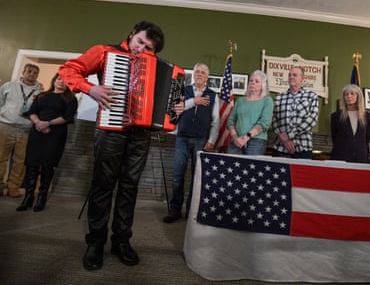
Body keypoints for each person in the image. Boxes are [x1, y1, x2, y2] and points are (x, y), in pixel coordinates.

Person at [58, 21, 182, 271]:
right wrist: (91, 89)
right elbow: (68, 70)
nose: (142, 49)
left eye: (149, 48)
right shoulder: (106, 52)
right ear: (132, 34)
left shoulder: (157, 67)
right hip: (110, 132)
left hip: (140, 135)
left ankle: (121, 241)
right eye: (140, 42)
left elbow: (168, 109)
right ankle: (95, 243)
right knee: (103, 186)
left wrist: (175, 109)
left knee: (129, 188)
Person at [163, 63, 219, 223]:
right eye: (197, 72)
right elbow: (175, 109)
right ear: (193, 74)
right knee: (177, 176)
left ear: (207, 76)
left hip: (201, 140)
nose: (199, 74)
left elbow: (216, 121)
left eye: (203, 72)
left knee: (197, 177)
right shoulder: (184, 91)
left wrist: (212, 141)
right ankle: (175, 209)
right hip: (182, 137)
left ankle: (191, 210)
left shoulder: (213, 95)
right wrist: (194, 101)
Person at [16, 74, 78, 212]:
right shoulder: (42, 95)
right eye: (58, 79)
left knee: (47, 166)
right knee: (31, 165)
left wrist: (47, 123)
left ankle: (41, 197)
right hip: (37, 133)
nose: (61, 82)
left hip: (55, 135)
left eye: (65, 81)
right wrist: (38, 123)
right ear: (54, 80)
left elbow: (67, 117)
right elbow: (32, 112)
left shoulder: (70, 99)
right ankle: (28, 197)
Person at [0, 63, 42, 198]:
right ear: (23, 72)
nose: (32, 74)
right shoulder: (9, 86)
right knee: (1, 159)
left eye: (35, 72)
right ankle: (0, 186)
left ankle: (14, 188)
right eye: (29, 71)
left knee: (20, 161)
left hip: (26, 130)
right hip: (6, 127)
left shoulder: (40, 93)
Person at [272, 66, 319, 159]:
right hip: (281, 148)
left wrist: (289, 136)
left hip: (303, 147)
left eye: (294, 75)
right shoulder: (279, 97)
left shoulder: (311, 96)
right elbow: (274, 119)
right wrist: (284, 140)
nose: (291, 77)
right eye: (289, 75)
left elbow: (312, 120)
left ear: (302, 78)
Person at [227, 70, 273, 155]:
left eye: (256, 81)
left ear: (263, 85)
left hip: (256, 142)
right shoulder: (240, 101)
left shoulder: (267, 101)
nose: (253, 83)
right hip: (236, 141)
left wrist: (246, 137)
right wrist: (236, 138)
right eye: (251, 81)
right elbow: (230, 121)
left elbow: (264, 123)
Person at [330, 84, 370, 163]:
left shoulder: (367, 116)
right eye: (346, 94)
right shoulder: (336, 116)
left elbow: (367, 139)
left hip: (361, 158)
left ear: (358, 96)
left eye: (352, 94)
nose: (349, 96)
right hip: (340, 157)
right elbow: (334, 138)